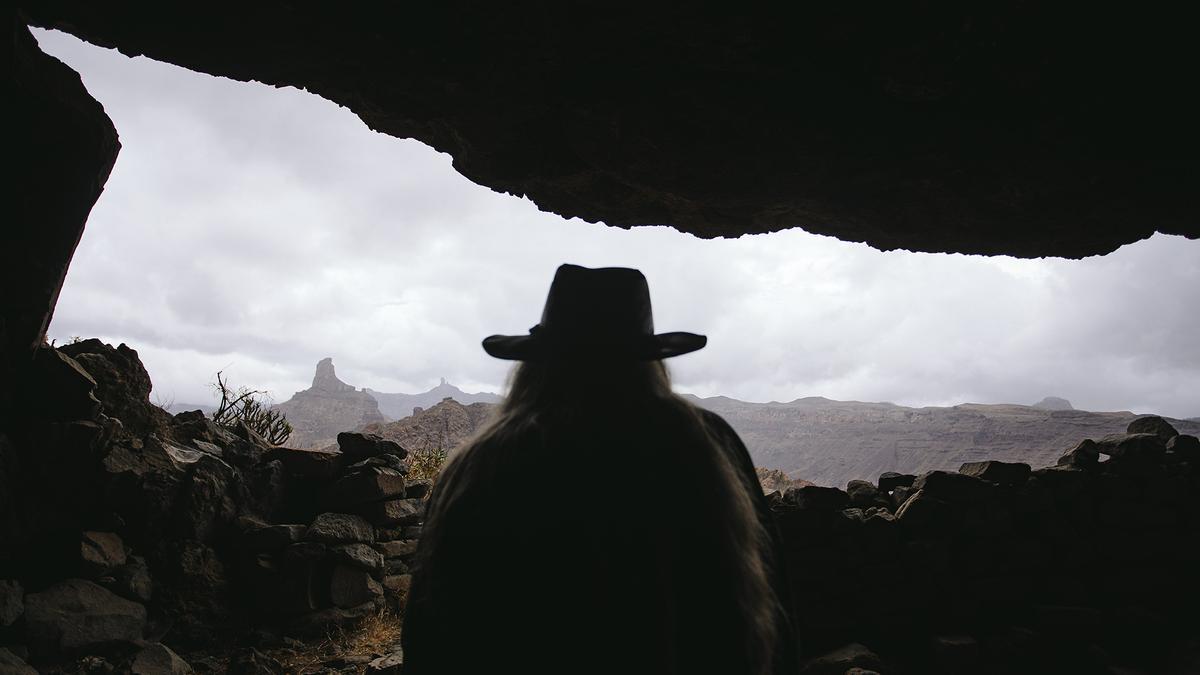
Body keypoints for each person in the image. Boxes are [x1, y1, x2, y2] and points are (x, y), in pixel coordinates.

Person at [401, 264, 796, 675]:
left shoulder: (481, 465)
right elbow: (769, 602)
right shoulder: (706, 446)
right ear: (650, 362)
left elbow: (430, 633)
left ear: (537, 363)